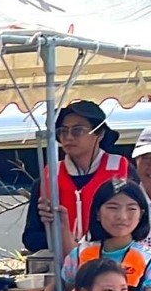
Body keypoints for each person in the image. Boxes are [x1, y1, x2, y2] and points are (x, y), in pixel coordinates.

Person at [34, 100, 132, 257]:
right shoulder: (49, 176)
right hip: (64, 263)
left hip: (113, 260)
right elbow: (31, 237)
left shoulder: (123, 171)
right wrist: (53, 228)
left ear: (99, 134)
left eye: (77, 130)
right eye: (63, 131)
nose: (68, 137)